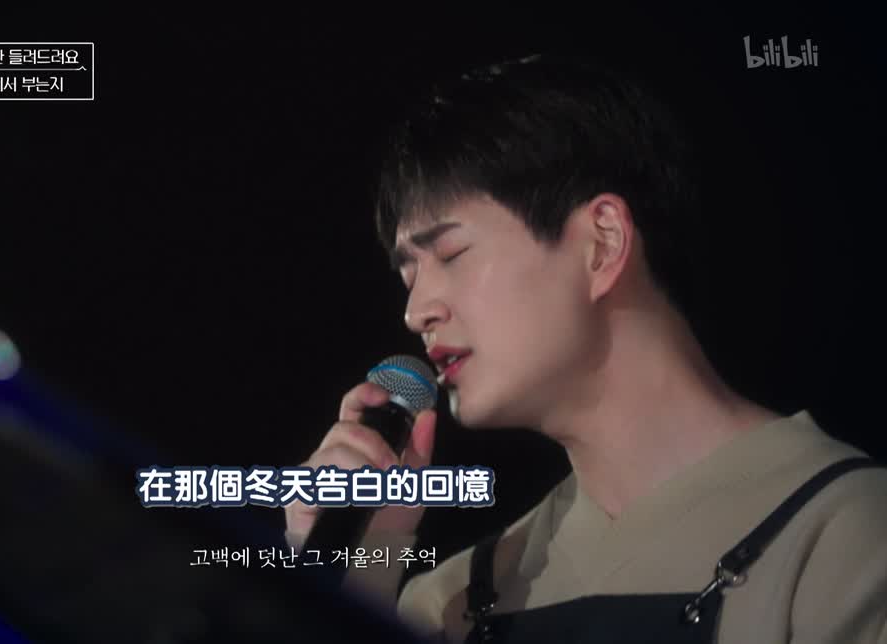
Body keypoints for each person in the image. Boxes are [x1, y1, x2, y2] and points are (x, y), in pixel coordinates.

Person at [283, 54, 887, 643]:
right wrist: (353, 566)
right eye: (409, 276)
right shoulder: (450, 602)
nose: (416, 312)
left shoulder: (841, 531)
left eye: (451, 254)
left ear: (602, 243)